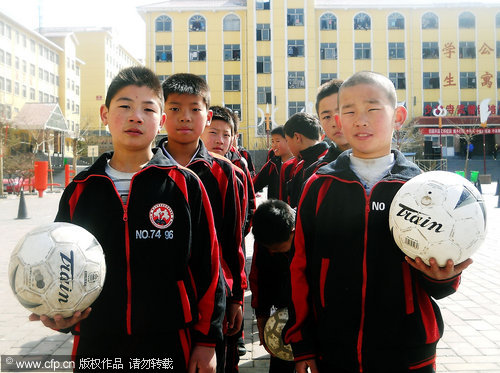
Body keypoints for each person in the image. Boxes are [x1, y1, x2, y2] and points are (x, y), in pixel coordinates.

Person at [30, 66, 225, 372]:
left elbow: (209, 269)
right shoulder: (80, 190)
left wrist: (207, 342)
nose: (136, 116)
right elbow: (58, 263)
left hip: (168, 343)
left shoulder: (185, 185)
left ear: (161, 121)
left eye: (148, 109)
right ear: (105, 114)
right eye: (125, 106)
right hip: (97, 341)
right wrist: (57, 313)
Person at [283, 71, 472, 373]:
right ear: (337, 120)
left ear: (398, 116)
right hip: (333, 347)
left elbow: (440, 278)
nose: (360, 120)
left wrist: (442, 277)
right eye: (349, 111)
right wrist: (302, 342)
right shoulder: (319, 186)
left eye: (373, 109)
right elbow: (300, 268)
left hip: (408, 350)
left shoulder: (425, 190)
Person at [159, 74, 246, 373]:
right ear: (161, 114)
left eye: (194, 109)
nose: (185, 117)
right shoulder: (146, 170)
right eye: (174, 108)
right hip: (160, 301)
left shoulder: (225, 173)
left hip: (212, 300)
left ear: (206, 116)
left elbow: (232, 241)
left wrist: (236, 297)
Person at [249, 199, 296, 373]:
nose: (271, 253)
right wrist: (261, 318)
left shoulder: (312, 230)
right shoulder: (265, 240)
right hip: (283, 314)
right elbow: (259, 279)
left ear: (292, 233)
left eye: (277, 249)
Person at [302, 79, 350, 181]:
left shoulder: (388, 166)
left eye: (342, 112)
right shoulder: (315, 173)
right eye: (327, 117)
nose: (335, 123)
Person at [282, 112, 329, 208]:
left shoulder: (329, 165)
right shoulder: (300, 165)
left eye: (287, 140)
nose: (288, 146)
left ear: (297, 137)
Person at [253, 126, 293, 200]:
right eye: (272, 141)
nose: (274, 145)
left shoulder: (298, 164)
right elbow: (256, 183)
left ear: (288, 140)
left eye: (277, 141)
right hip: (275, 208)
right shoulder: (272, 164)